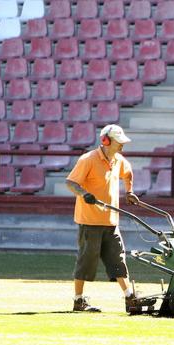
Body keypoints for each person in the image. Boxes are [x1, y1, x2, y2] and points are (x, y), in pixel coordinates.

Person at [66, 124, 140, 312]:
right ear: (106, 141)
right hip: (89, 221)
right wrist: (84, 194)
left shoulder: (118, 160)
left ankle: (129, 297)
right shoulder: (88, 159)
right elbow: (71, 182)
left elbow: (128, 173)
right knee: (86, 261)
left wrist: (129, 191)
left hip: (111, 222)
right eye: (119, 141)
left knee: (118, 259)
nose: (122, 144)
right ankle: (78, 300)